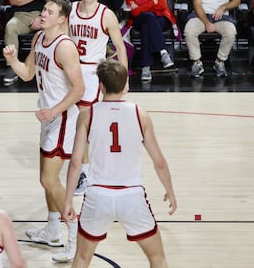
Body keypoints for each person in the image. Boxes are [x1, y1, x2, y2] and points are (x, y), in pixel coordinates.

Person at [63, 59, 177, 268]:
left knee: (81, 258)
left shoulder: (87, 115)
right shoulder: (140, 114)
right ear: (126, 85)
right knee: (157, 258)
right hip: (131, 196)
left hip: (97, 196)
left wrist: (68, 200)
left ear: (101, 86)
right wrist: (170, 191)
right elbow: (159, 162)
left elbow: (76, 163)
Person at [2, 0, 85, 263]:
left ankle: (75, 231)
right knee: (47, 180)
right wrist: (13, 60)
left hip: (62, 118)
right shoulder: (39, 40)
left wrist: (55, 111)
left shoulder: (65, 47)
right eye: (44, 10)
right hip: (49, 116)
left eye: (50, 11)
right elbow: (27, 73)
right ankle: (52, 229)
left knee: (49, 180)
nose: (44, 14)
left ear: (62, 19)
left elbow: (79, 90)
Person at [69, 0, 128, 197]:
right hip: (72, 68)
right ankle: (85, 168)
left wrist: (124, 78)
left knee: (84, 125)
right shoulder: (71, 10)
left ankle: (85, 172)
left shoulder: (106, 15)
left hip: (93, 71)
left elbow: (120, 48)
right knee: (73, 123)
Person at [184, 0, 242, 78]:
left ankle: (220, 61)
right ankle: (197, 62)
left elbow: (237, 0)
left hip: (221, 17)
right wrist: (206, 22)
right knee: (189, 31)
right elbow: (197, 4)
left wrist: (224, 6)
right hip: (201, 15)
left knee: (230, 32)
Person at [125, 0, 177, 81]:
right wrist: (151, 3)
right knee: (148, 17)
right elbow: (134, 12)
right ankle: (163, 52)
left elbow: (162, 5)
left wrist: (142, 6)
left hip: (160, 17)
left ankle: (145, 67)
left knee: (146, 26)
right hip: (139, 19)